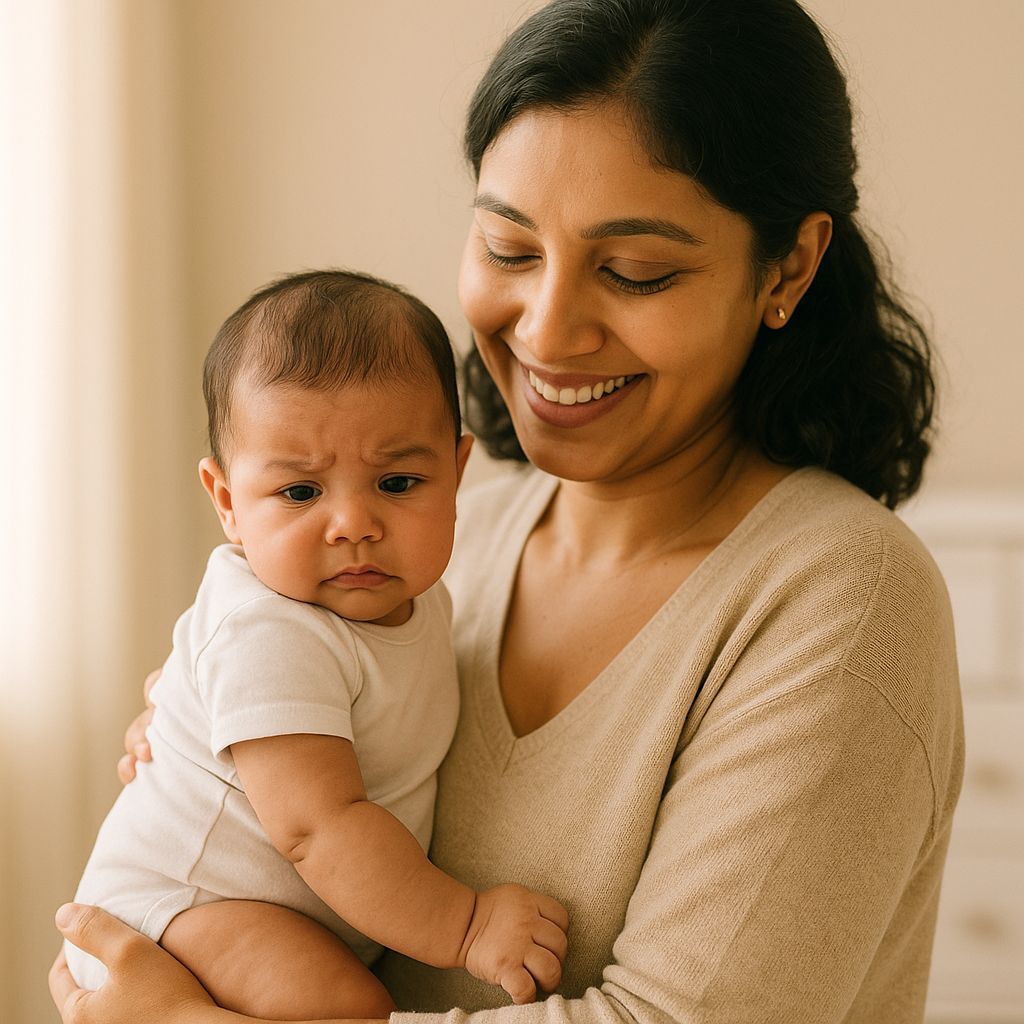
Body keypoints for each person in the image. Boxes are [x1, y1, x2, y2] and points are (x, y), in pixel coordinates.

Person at [50, 0, 964, 1021]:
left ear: (787, 267)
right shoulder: (442, 547)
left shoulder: (838, 601)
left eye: (634, 270)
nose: (547, 327)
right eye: (510, 248)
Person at [60, 269, 569, 1020]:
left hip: (265, 913)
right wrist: (465, 926)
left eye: (397, 482)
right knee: (344, 1006)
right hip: (175, 915)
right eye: (300, 493)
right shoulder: (269, 631)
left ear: (456, 474)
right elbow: (316, 826)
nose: (353, 523)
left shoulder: (421, 600)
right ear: (228, 503)